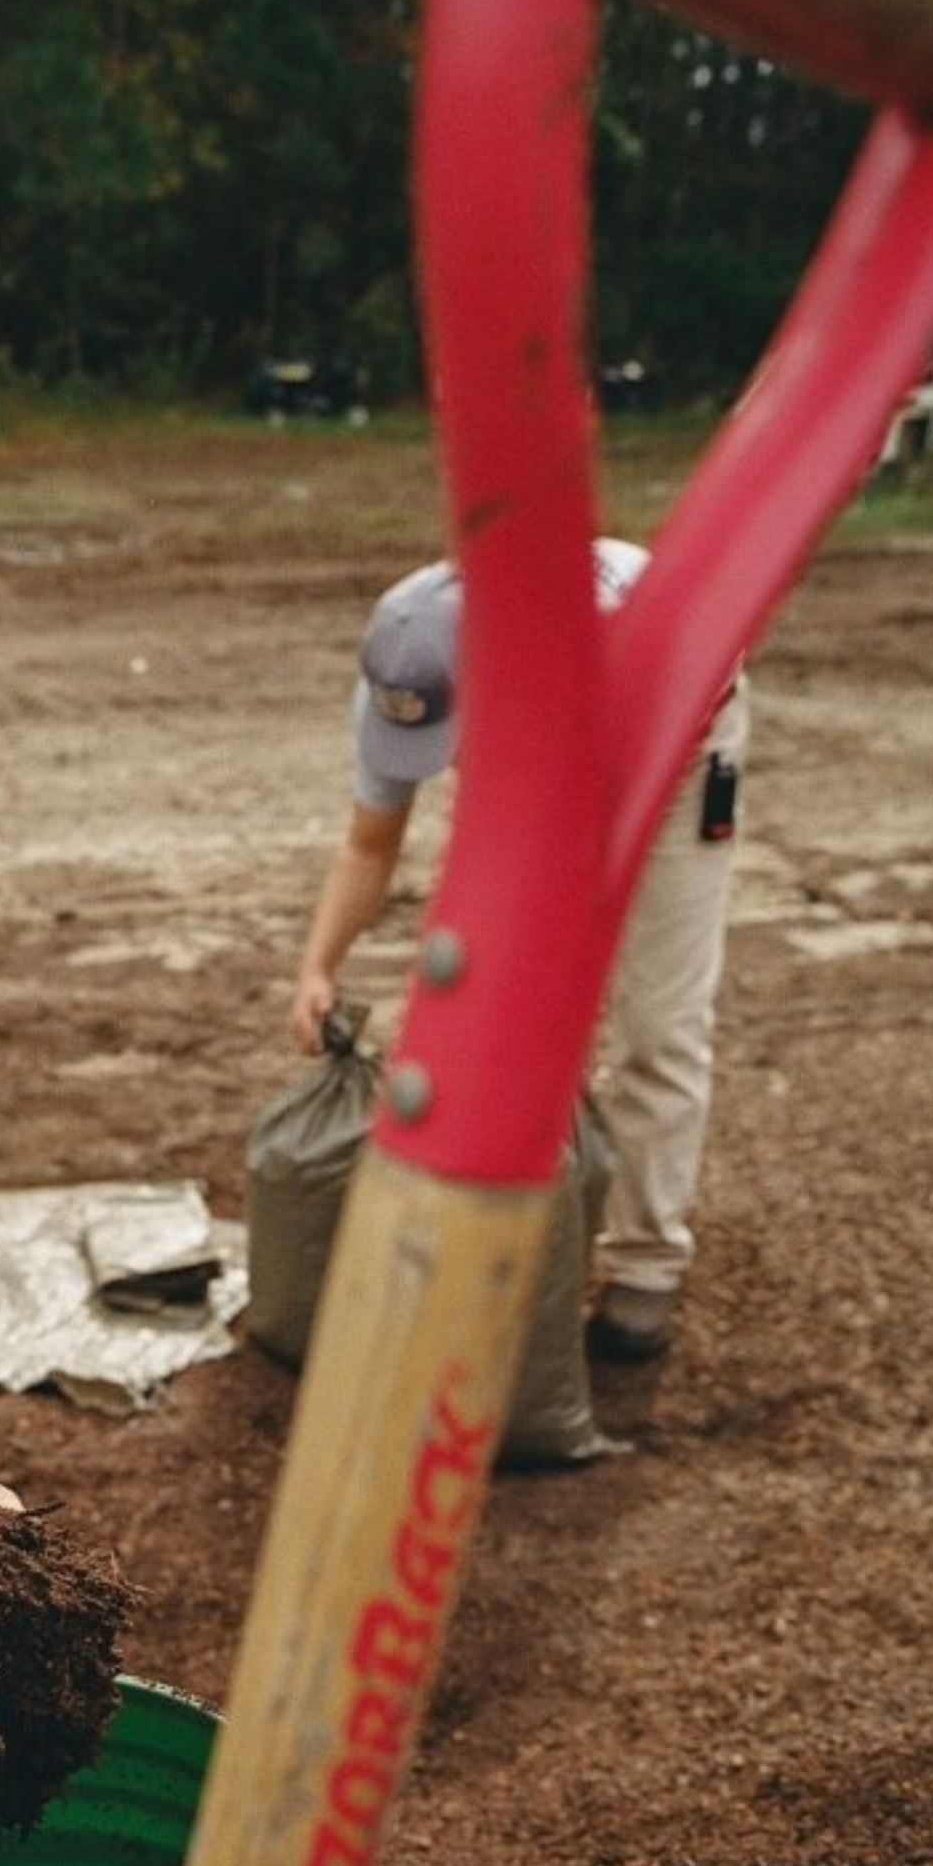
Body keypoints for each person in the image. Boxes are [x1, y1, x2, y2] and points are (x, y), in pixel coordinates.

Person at [288, 539, 749, 1363]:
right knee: (515, 1005)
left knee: (658, 1017)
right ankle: (525, 1242)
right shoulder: (406, 674)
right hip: (544, 735)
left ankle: (645, 1264)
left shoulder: (596, 659)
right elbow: (369, 844)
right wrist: (317, 964)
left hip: (678, 728)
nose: (444, 764)